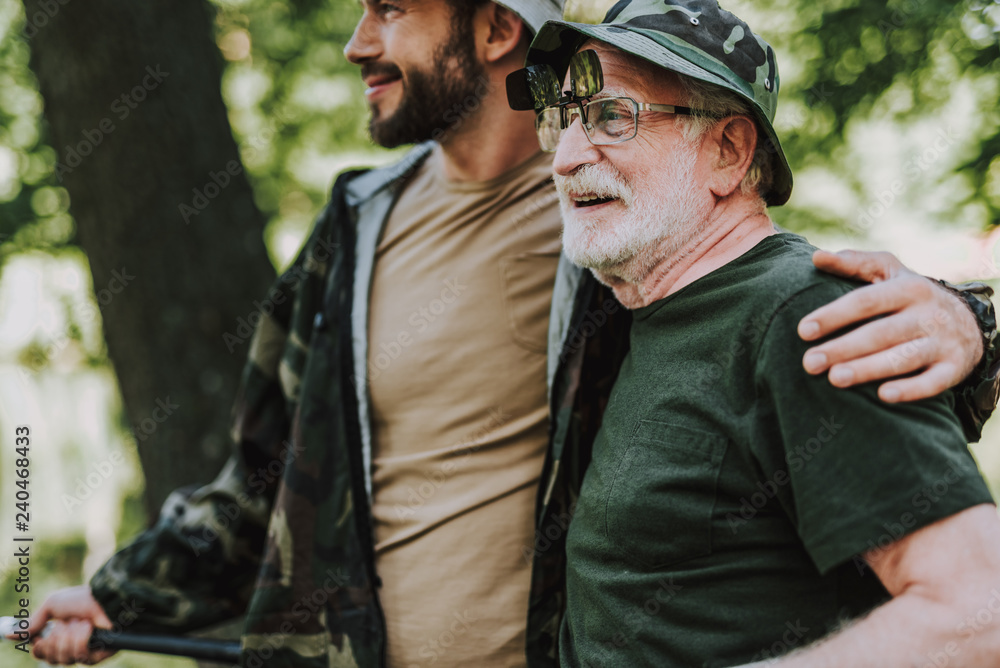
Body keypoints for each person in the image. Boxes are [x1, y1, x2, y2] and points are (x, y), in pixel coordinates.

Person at [18, 1, 999, 666]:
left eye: (393, 6)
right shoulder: (363, 229)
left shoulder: (636, 237)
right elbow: (268, 471)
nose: (575, 149)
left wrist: (973, 318)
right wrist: (125, 594)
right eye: (566, 115)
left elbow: (787, 303)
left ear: (492, 29)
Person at [508, 2, 1000, 666]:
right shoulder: (628, 307)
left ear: (728, 152)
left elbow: (976, 611)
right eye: (562, 118)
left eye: (612, 117)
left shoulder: (805, 315)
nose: (566, 157)